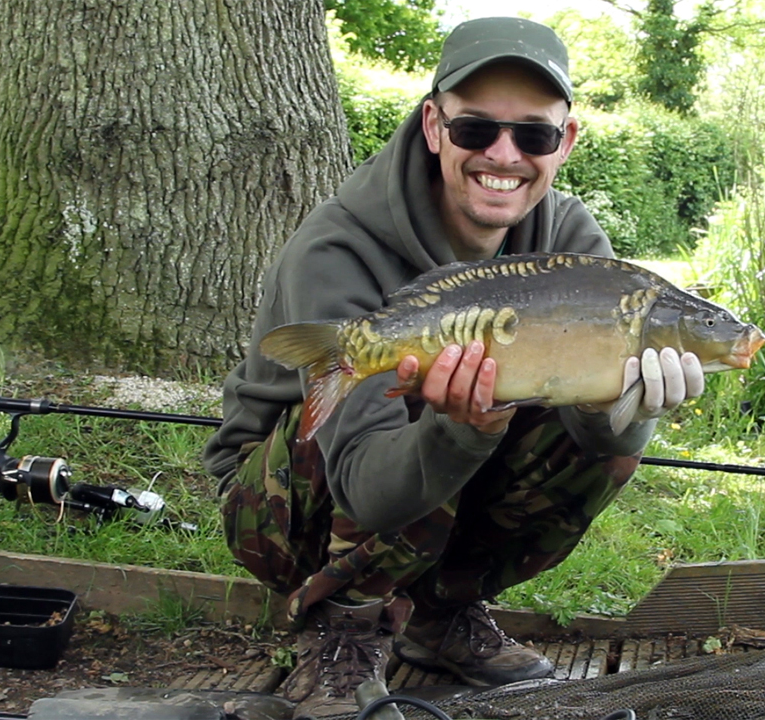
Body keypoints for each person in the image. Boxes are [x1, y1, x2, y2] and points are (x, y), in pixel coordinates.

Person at [202, 16, 705, 718]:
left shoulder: (572, 239)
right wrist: (455, 429)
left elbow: (599, 447)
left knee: (587, 428)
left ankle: (441, 612)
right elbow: (364, 488)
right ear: (435, 125)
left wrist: (627, 415)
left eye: (533, 134)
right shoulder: (337, 248)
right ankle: (344, 625)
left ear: (566, 141)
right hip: (288, 503)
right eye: (476, 130)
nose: (505, 154)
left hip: (431, 463)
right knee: (412, 410)